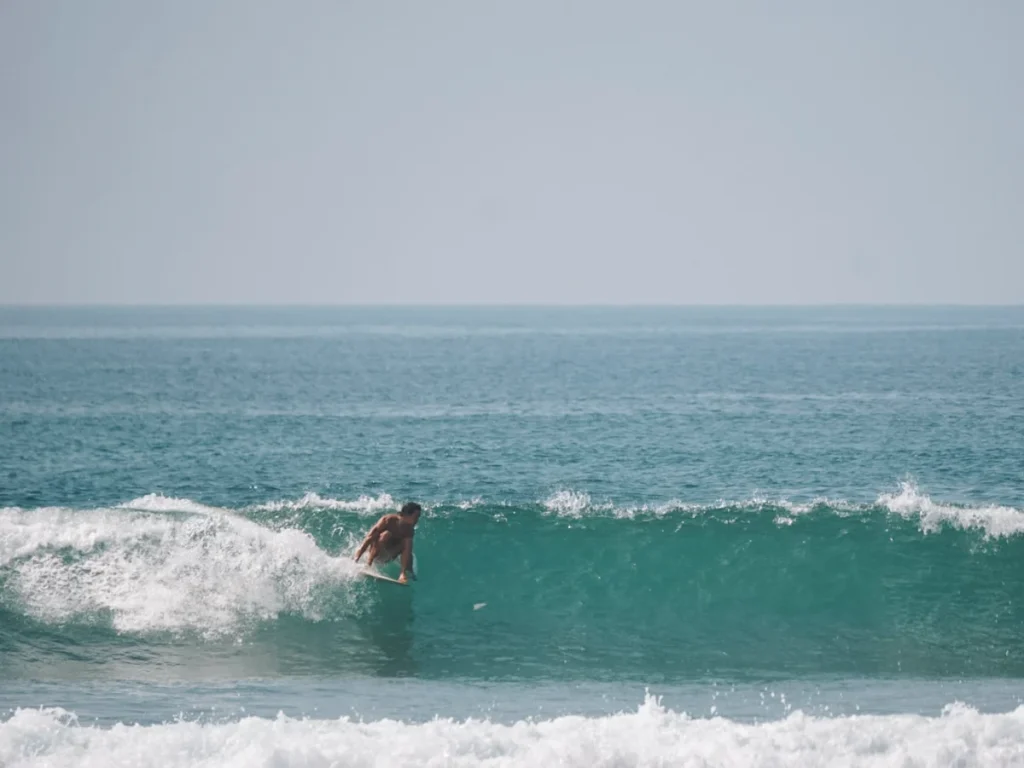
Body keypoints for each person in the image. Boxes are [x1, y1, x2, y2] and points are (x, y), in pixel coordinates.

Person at [353, 502, 421, 583]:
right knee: (386, 534)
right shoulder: (388, 520)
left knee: (407, 544)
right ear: (406, 514)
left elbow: (407, 550)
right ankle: (368, 564)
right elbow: (370, 537)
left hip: (389, 555)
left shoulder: (409, 530)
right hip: (376, 553)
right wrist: (357, 557)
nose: (417, 520)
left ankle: (404, 574)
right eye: (416, 517)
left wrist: (405, 572)